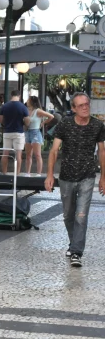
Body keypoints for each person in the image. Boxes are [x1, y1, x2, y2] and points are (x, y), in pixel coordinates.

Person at [45, 92, 105, 268]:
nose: (85, 107)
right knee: (68, 215)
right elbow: (54, 151)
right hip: (66, 177)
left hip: (88, 175)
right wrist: (50, 175)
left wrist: (103, 178)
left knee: (81, 216)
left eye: (87, 104)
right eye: (80, 105)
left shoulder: (97, 125)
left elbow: (102, 152)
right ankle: (74, 244)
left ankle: (76, 252)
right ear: (73, 109)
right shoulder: (65, 124)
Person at [0, 90, 29, 175]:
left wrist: (6, 123)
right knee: (18, 155)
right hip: (18, 132)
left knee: (5, 154)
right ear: (19, 96)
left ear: (11, 95)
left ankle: (4, 173)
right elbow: (27, 122)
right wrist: (23, 123)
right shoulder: (23, 107)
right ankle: (17, 174)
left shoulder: (4, 106)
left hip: (7, 132)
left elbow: (0, 120)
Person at [24, 96, 54, 175]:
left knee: (37, 154)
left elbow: (51, 116)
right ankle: (27, 173)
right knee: (28, 155)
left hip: (35, 132)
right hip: (28, 132)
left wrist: (43, 123)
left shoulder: (38, 111)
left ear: (32, 101)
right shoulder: (27, 110)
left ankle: (38, 173)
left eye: (28, 100)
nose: (27, 101)